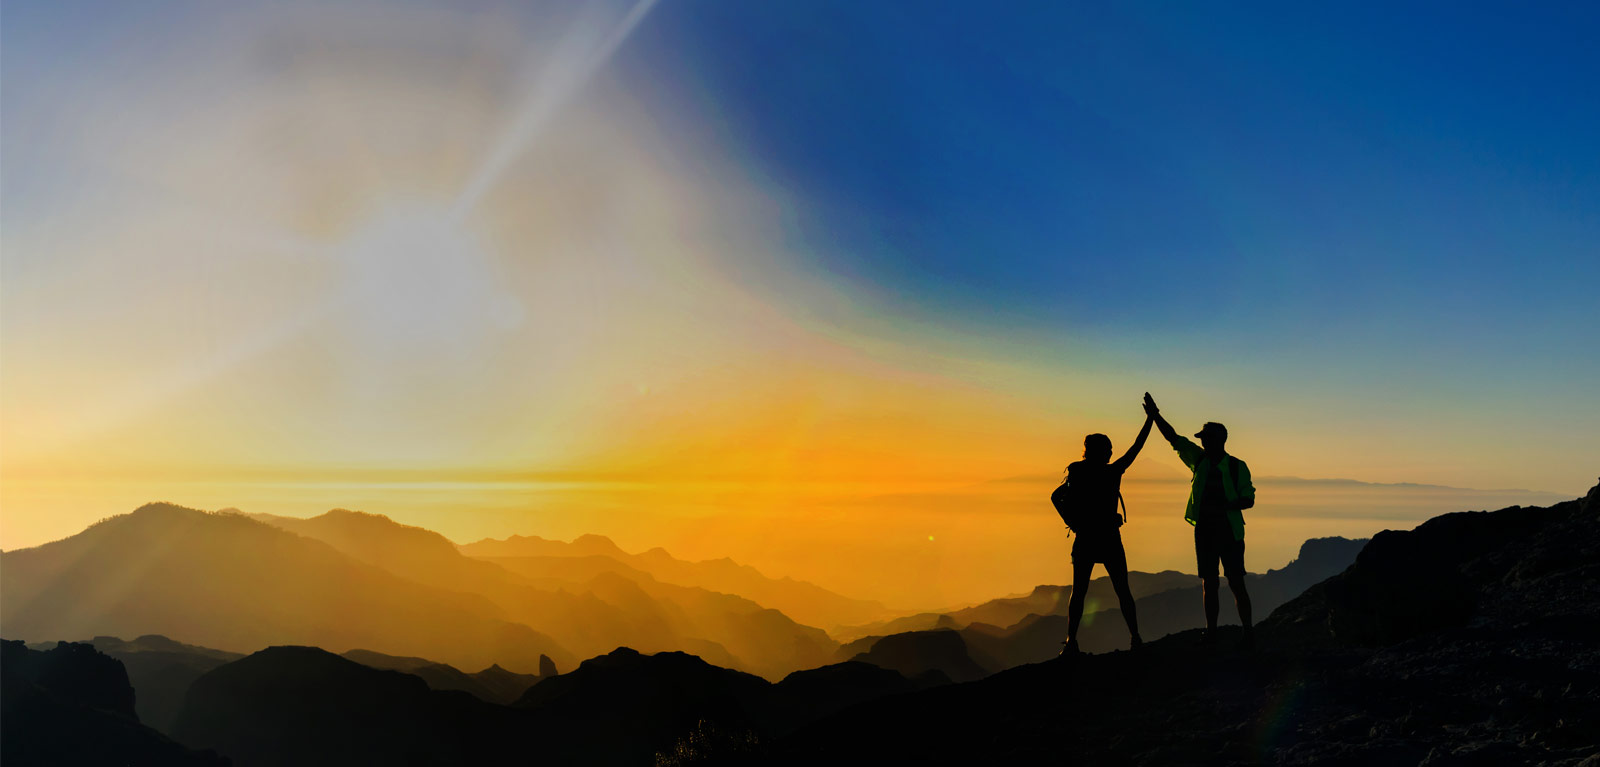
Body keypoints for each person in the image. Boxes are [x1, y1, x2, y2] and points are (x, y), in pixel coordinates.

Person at [1142, 392, 1257, 645]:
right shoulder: (1200, 460)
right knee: (1210, 583)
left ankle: (1247, 630)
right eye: (1203, 439)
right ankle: (1214, 632)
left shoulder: (1237, 466)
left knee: (1235, 582)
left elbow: (1249, 498)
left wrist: (1227, 505)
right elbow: (1174, 439)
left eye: (1206, 438)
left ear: (1219, 440)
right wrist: (1156, 416)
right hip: (1206, 530)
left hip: (1228, 530)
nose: (1203, 442)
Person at [1060, 408, 1154, 654]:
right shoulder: (1112, 472)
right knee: (1122, 589)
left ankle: (1071, 641)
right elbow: (1136, 447)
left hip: (1085, 538)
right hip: (1110, 538)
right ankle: (1135, 638)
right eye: (1108, 449)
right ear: (1100, 450)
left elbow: (1056, 496)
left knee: (1078, 591)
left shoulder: (1076, 470)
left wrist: (1073, 522)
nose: (1112, 452)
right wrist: (1150, 420)